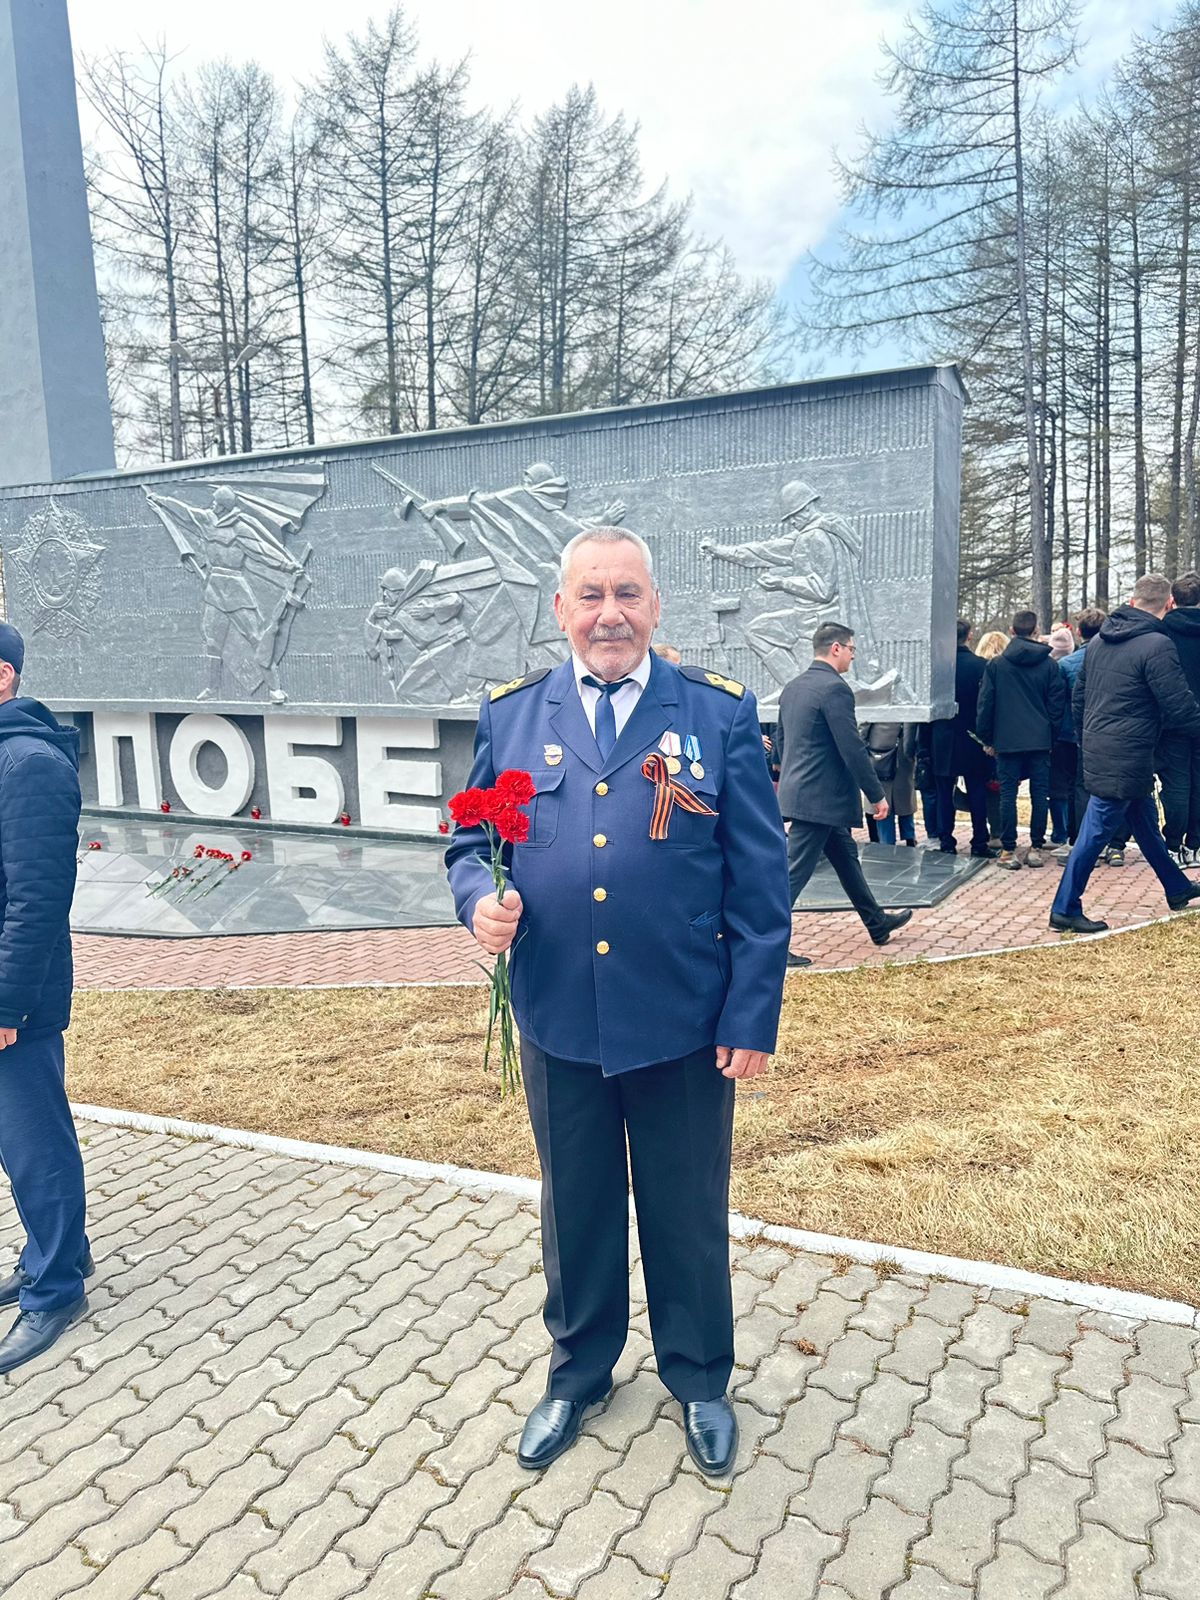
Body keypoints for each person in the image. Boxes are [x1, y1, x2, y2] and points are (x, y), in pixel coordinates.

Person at [445, 526, 790, 1480]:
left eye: (627, 594)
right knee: (578, 1209)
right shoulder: (516, 717)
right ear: (560, 609)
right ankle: (579, 1372)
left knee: (686, 1211)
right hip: (560, 1014)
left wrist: (750, 1014)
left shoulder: (714, 714)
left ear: (655, 605)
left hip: (682, 1019)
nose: (609, 614)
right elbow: (473, 843)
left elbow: (760, 883)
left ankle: (700, 1378)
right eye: (591, 595)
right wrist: (479, 903)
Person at [0, 623, 93, 1374]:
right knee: (19, 1140)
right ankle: (55, 1254)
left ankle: (56, 1290)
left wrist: (6, 1005)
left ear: (3, 676)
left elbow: (37, 900)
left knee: (34, 1142)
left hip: (15, 998)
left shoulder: (29, 763)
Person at [1050, 574, 1200, 934]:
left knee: (1144, 823)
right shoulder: (1157, 644)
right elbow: (1178, 706)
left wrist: (1088, 739)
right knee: (1094, 833)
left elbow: (1079, 698)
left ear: (1132, 601)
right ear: (1168, 605)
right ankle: (1064, 907)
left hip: (1104, 746)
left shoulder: (1099, 642)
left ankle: (1177, 887)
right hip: (1129, 752)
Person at [774, 622, 913, 965]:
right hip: (819, 798)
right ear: (836, 648)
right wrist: (876, 794)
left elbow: (781, 740)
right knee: (792, 875)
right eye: (851, 649)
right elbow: (851, 747)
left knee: (847, 861)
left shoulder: (793, 686)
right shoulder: (835, 689)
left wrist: (786, 775)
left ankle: (877, 923)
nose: (853, 656)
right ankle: (769, 945)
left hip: (807, 793)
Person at [976, 610, 1066, 869]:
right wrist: (1051, 737)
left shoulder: (997, 665)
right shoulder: (1050, 665)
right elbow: (1056, 707)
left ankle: (1008, 849)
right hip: (1040, 738)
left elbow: (986, 705)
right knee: (1040, 794)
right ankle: (1036, 847)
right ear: (1036, 631)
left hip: (1006, 738)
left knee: (1008, 795)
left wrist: (987, 738)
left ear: (1012, 631)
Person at [927, 619, 993, 857]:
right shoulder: (982, 666)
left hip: (942, 736)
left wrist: (923, 744)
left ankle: (946, 841)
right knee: (977, 790)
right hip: (973, 736)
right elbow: (987, 704)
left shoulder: (937, 669)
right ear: (970, 636)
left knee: (944, 792)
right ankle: (979, 842)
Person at [1157, 571, 1200, 864]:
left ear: (1173, 599)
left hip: (1171, 718)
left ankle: (1173, 843)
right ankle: (1195, 843)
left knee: (1176, 783)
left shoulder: (1161, 632)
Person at [1057, 608, 1106, 858]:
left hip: (1071, 735)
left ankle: (1077, 839)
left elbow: (1057, 703)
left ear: (1078, 632)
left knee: (1076, 787)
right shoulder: (1112, 660)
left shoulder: (1066, 665)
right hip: (1106, 732)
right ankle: (1108, 841)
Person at [1046, 623, 1078, 846]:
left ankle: (1060, 832)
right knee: (1078, 785)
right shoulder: (1082, 663)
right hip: (1082, 733)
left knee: (1057, 787)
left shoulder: (1056, 669)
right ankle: (1077, 831)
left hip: (1060, 734)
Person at [860, 723, 917, 844]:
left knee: (884, 799)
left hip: (881, 753)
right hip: (900, 752)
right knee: (903, 798)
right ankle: (908, 838)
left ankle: (888, 841)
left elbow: (863, 728)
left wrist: (862, 750)